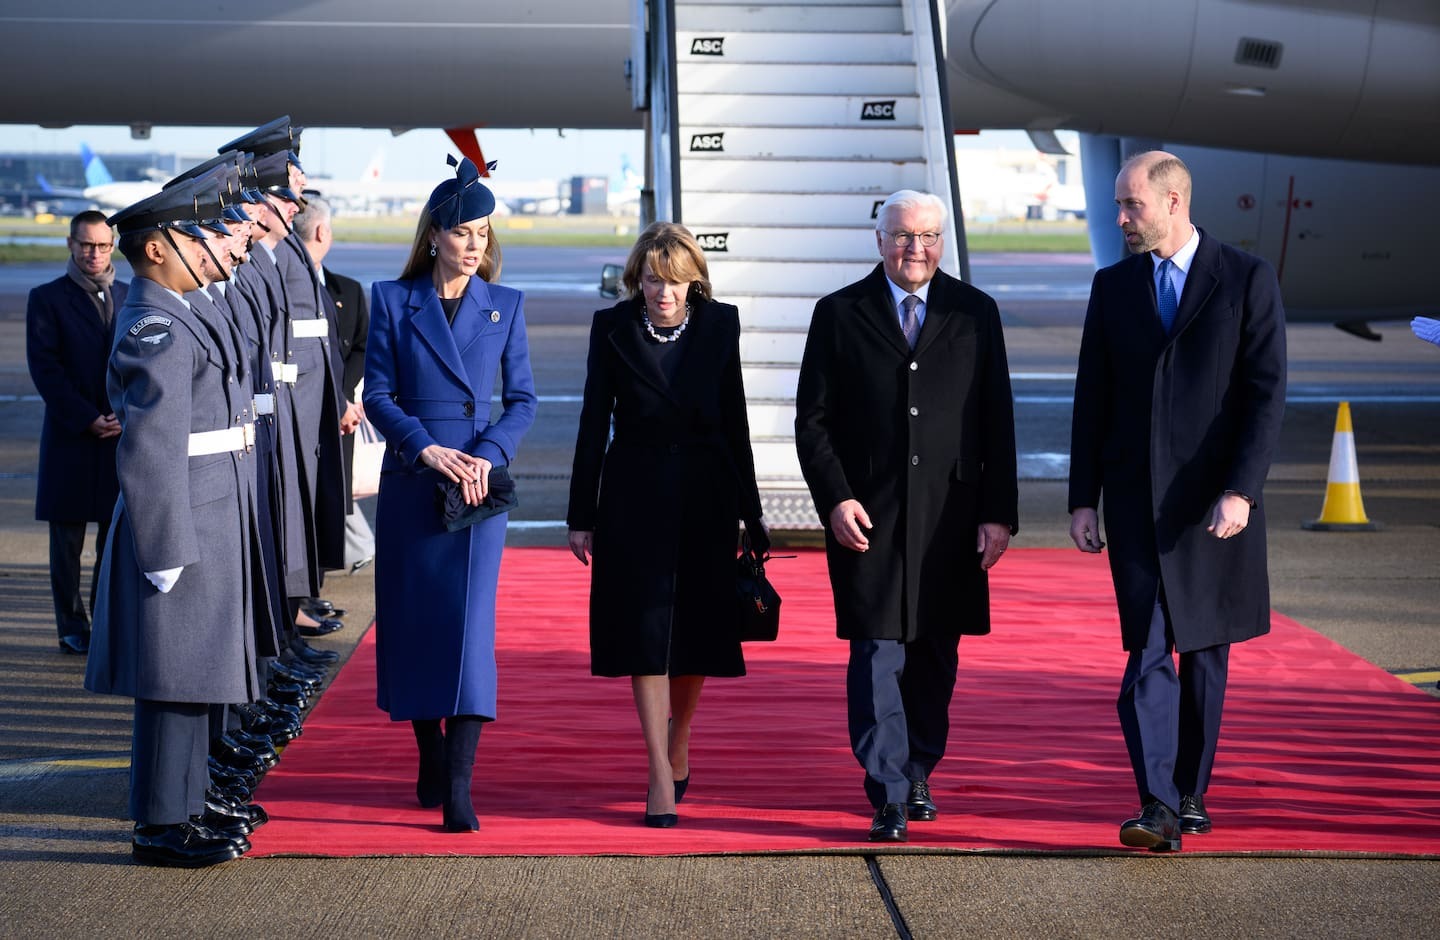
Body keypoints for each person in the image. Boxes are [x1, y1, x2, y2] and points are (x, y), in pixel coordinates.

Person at [1068, 151, 1287, 853]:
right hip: (1136, 503)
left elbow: (1264, 394)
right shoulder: (1113, 287)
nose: (1121, 219)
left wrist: (1242, 490)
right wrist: (1082, 499)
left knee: (1206, 652)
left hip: (1213, 506)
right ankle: (1156, 803)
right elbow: (1091, 399)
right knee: (1146, 653)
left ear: (1174, 202)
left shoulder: (1245, 278)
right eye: (1119, 206)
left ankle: (1191, 791)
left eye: (1132, 206)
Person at [794, 190, 1018, 843]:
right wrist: (835, 498)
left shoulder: (976, 314)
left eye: (926, 237)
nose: (914, 249)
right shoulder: (838, 314)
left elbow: (997, 422)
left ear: (943, 242)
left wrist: (998, 514)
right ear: (879, 240)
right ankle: (888, 790)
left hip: (952, 517)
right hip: (870, 516)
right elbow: (813, 423)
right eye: (901, 236)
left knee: (934, 655)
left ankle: (920, 766)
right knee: (875, 653)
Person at [84, 179, 264, 867]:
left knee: (196, 670)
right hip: (183, 513)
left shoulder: (179, 311)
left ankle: (186, 804)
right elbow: (151, 447)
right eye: (192, 238)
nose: (206, 247)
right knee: (173, 677)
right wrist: (162, 546)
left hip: (209, 505)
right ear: (156, 249)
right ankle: (160, 824)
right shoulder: (153, 323)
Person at [566, 221, 767, 829]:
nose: (663, 292)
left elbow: (736, 421)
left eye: (675, 281)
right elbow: (591, 421)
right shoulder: (613, 328)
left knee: (696, 635)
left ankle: (681, 740)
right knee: (645, 633)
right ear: (637, 280)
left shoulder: (719, 325)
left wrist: (750, 513)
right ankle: (659, 769)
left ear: (694, 283)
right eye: (653, 280)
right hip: (634, 498)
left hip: (707, 498)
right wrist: (582, 514)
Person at [363, 156, 536, 832]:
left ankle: (460, 783)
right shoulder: (391, 301)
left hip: (474, 492)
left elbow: (521, 401)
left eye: (484, 234)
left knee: (469, 633)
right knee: (412, 626)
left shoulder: (507, 305)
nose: (475, 246)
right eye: (464, 232)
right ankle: (429, 750)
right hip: (413, 480)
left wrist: (486, 458)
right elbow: (376, 393)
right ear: (435, 234)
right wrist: (422, 447)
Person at [25, 210, 128, 654]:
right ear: (70, 244)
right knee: (66, 543)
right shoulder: (46, 298)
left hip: (118, 436)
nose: (94, 253)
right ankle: (70, 624)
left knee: (112, 537)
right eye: (86, 245)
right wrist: (88, 417)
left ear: (113, 247)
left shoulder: (129, 295)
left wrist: (126, 412)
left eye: (103, 245)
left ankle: (102, 619)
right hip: (72, 435)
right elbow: (45, 370)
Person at [293, 194, 375, 574]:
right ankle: (301, 597)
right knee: (296, 507)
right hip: (302, 417)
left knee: (330, 504)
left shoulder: (349, 291)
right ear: (323, 231)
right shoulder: (283, 288)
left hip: (339, 417)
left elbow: (360, 348)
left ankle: (315, 588)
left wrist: (343, 398)